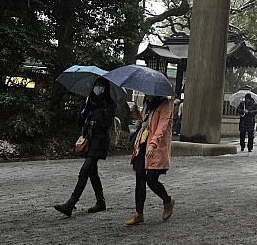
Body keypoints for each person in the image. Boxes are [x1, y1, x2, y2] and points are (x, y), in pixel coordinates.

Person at [54, 83, 116, 217]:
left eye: (101, 86)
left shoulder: (109, 104)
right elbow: (80, 122)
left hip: (100, 141)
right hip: (89, 140)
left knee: (85, 170)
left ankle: (71, 203)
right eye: (96, 85)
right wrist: (85, 109)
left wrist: (97, 114)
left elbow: (106, 123)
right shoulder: (90, 101)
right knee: (92, 172)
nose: (98, 88)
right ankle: (101, 202)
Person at [125, 95, 175, 226]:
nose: (148, 96)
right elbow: (144, 123)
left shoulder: (165, 104)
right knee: (139, 178)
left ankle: (167, 201)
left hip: (156, 147)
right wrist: (135, 112)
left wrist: (153, 144)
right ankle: (139, 213)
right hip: (142, 144)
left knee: (151, 180)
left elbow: (162, 127)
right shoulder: (148, 104)